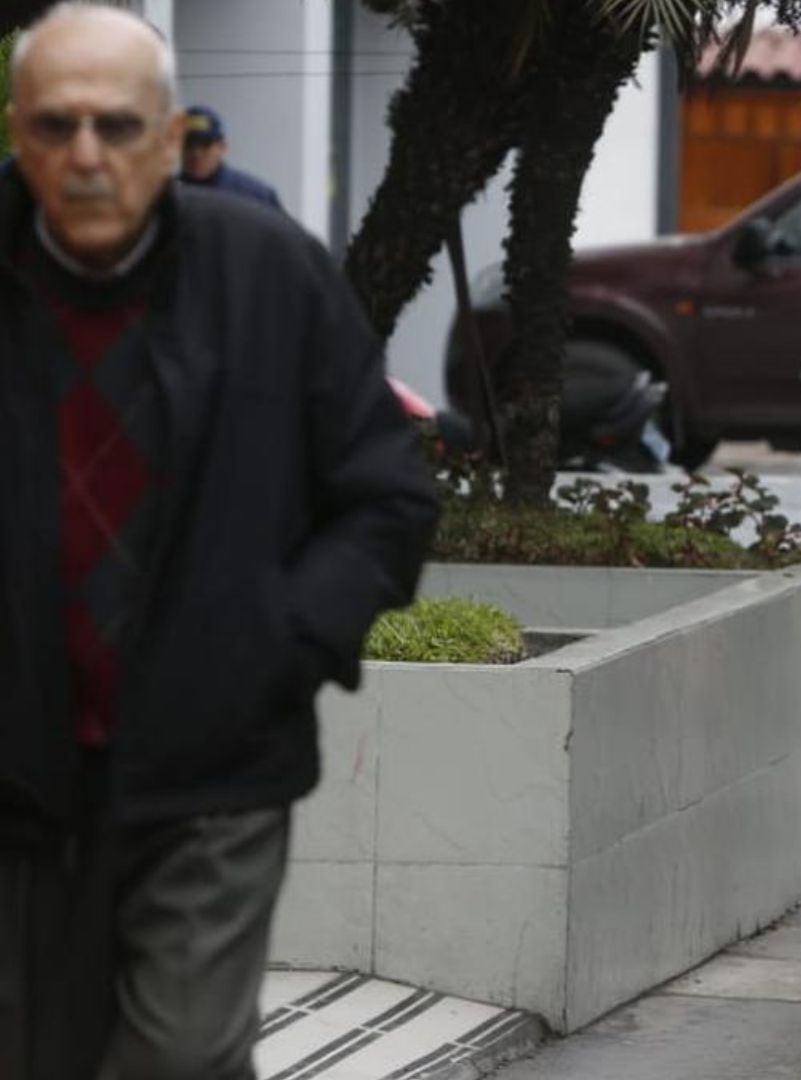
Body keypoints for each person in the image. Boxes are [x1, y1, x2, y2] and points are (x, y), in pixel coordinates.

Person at [0, 6, 438, 1079]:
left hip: (212, 777)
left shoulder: (269, 273)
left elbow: (386, 494)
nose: (87, 156)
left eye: (116, 125)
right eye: (56, 126)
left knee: (176, 1059)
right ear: (16, 133)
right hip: (16, 788)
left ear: (170, 133)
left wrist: (276, 644)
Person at [178, 104, 282, 209]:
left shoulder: (254, 195)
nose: (196, 153)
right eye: (188, 144)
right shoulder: (167, 194)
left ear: (222, 147)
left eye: (205, 144)